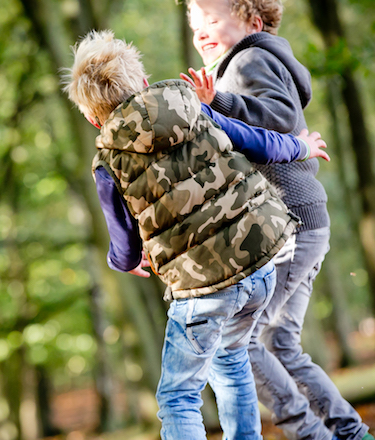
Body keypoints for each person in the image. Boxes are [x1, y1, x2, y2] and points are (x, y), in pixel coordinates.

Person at [62, 29, 329, 440]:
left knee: (178, 395)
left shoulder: (107, 163)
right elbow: (255, 141)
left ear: (92, 117)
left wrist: (128, 262)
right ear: (145, 82)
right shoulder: (189, 105)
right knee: (232, 360)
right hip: (260, 261)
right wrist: (301, 147)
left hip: (201, 287)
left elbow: (123, 237)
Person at [179, 1, 373, 440]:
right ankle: (351, 433)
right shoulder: (245, 62)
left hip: (287, 223)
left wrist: (218, 102)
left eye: (212, 20)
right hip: (300, 219)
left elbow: (280, 118)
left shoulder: (249, 58)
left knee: (236, 339)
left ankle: (314, 435)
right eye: (196, 25)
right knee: (278, 342)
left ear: (253, 21)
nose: (202, 32)